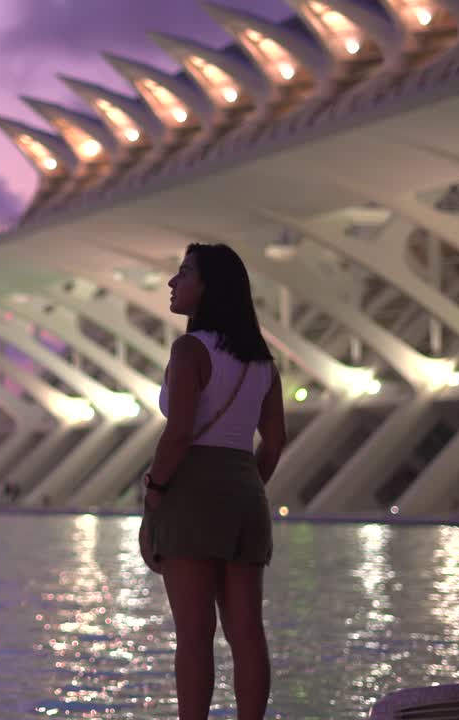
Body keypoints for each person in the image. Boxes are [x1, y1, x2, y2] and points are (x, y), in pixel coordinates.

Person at [141, 243, 286, 719]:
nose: (172, 282)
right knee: (247, 632)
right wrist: (247, 484)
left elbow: (179, 431)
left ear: (208, 288)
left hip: (192, 493)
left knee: (194, 636)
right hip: (245, 488)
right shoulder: (263, 362)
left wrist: (155, 495)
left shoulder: (190, 349)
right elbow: (276, 440)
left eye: (183, 273)